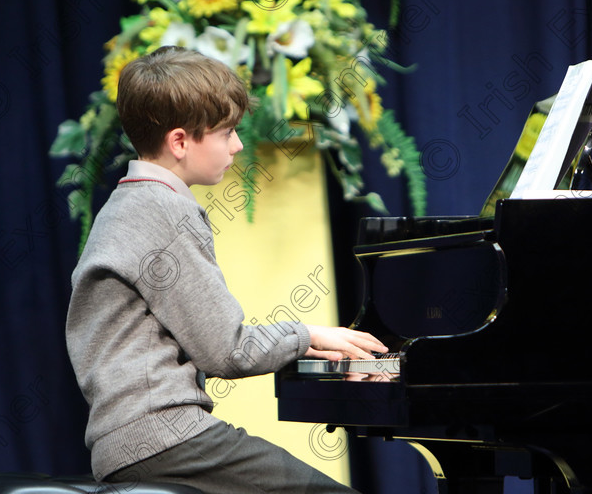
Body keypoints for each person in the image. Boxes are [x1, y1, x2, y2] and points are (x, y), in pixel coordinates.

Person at [65, 45, 387, 493]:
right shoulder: (164, 212)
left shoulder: (125, 203)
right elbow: (228, 351)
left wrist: (307, 348)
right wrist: (310, 335)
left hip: (135, 441)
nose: (238, 145)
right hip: (163, 441)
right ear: (179, 141)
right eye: (227, 132)